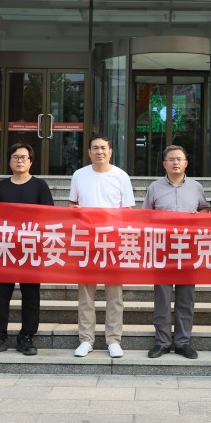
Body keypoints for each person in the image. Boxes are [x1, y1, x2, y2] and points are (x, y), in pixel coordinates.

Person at [0, 143, 55, 357]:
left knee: (30, 295)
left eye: (24, 157)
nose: (19, 160)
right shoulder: (0, 187)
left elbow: (49, 216)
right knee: (1, 295)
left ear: (31, 161)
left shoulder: (40, 186)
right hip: (4, 248)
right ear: (9, 161)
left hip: (31, 248)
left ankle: (26, 337)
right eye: (15, 157)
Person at [69, 135, 136, 358]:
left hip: (113, 241)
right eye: (95, 148)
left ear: (110, 151)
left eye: (103, 148)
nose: (100, 152)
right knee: (85, 295)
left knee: (114, 295)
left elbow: (128, 211)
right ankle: (86, 339)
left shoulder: (121, 176)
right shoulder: (79, 175)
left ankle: (113, 340)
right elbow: (72, 205)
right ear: (89, 152)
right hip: (86, 241)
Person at [142, 145, 210, 359]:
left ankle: (182, 342)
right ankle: (162, 342)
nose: (175, 162)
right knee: (162, 298)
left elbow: (205, 209)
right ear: (164, 164)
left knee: (186, 298)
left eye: (179, 159)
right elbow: (145, 216)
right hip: (162, 249)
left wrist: (200, 215)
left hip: (188, 249)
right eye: (171, 159)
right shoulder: (154, 187)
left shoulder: (196, 187)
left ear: (186, 163)